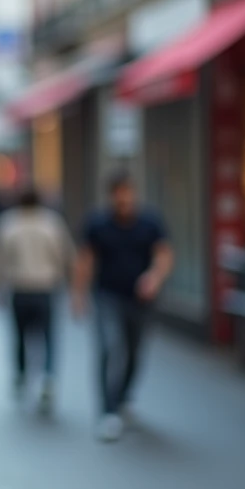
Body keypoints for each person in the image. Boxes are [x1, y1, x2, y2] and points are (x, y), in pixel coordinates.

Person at [73, 171, 173, 442]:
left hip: (140, 300)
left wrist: (154, 277)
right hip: (107, 296)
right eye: (119, 194)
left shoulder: (150, 222)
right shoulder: (98, 223)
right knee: (108, 346)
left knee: (134, 352)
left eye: (128, 194)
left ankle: (123, 398)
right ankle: (107, 411)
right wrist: (78, 296)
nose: (124, 200)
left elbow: (163, 255)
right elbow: (86, 260)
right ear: (111, 196)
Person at [0, 187, 74, 413]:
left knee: (19, 335)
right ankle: (48, 376)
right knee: (48, 336)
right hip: (46, 287)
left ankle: (21, 373)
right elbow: (65, 255)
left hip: (20, 287)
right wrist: (69, 282)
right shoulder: (52, 223)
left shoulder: (7, 223)